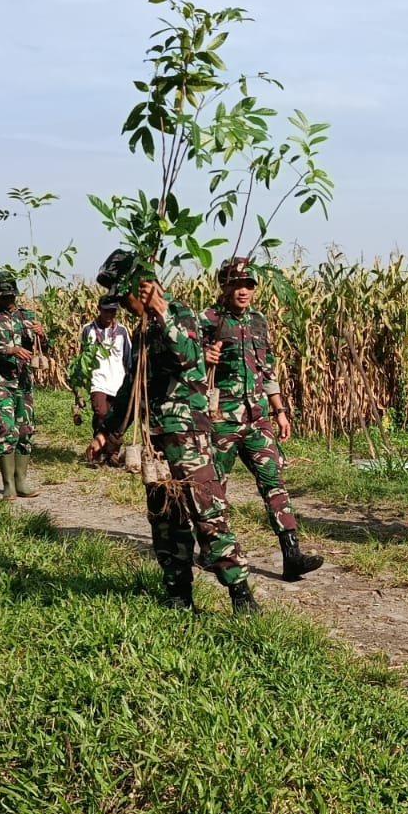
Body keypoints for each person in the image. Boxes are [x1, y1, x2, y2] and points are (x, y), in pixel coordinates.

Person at [86, 249, 257, 614]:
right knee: (166, 519)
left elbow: (189, 357)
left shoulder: (181, 316)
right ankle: (178, 594)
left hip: (189, 438)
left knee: (207, 514)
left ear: (145, 288)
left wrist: (161, 313)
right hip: (157, 441)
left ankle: (241, 596)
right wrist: (108, 433)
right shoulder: (142, 330)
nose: (126, 306)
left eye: (128, 297)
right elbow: (133, 386)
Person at [200, 256, 325, 581]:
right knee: (215, 489)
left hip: (258, 419)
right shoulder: (208, 319)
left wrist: (280, 410)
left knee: (274, 483)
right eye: (237, 284)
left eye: (249, 285)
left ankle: (291, 554)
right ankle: (211, 548)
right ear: (224, 285)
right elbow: (185, 365)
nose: (243, 291)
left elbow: (267, 370)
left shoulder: (259, 321)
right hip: (221, 418)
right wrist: (203, 356)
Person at [0, 271, 43, 500]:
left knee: (25, 430)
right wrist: (9, 350)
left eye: (11, 296)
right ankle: (8, 485)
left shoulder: (27, 316)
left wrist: (42, 335)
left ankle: (21, 482)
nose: (8, 300)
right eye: (3, 296)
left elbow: (43, 347)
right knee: (5, 429)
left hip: (23, 381)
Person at [79, 295, 132, 441]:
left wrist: (130, 381)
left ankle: (111, 452)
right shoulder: (88, 330)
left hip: (118, 382)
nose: (109, 315)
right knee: (101, 414)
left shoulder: (122, 331)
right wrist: (79, 385)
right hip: (98, 381)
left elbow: (128, 358)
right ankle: (97, 451)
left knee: (115, 418)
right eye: (106, 311)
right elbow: (82, 357)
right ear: (99, 309)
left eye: (113, 311)